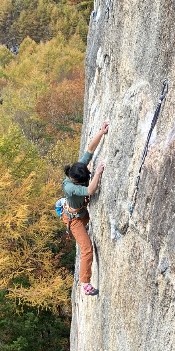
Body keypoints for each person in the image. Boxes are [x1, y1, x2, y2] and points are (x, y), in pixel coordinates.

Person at [61, 121, 108, 296]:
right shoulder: (70, 187)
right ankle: (85, 284)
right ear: (76, 180)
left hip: (82, 212)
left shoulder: (77, 169)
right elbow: (90, 190)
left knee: (86, 240)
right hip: (74, 221)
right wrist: (98, 173)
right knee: (87, 248)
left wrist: (101, 132)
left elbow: (90, 149)